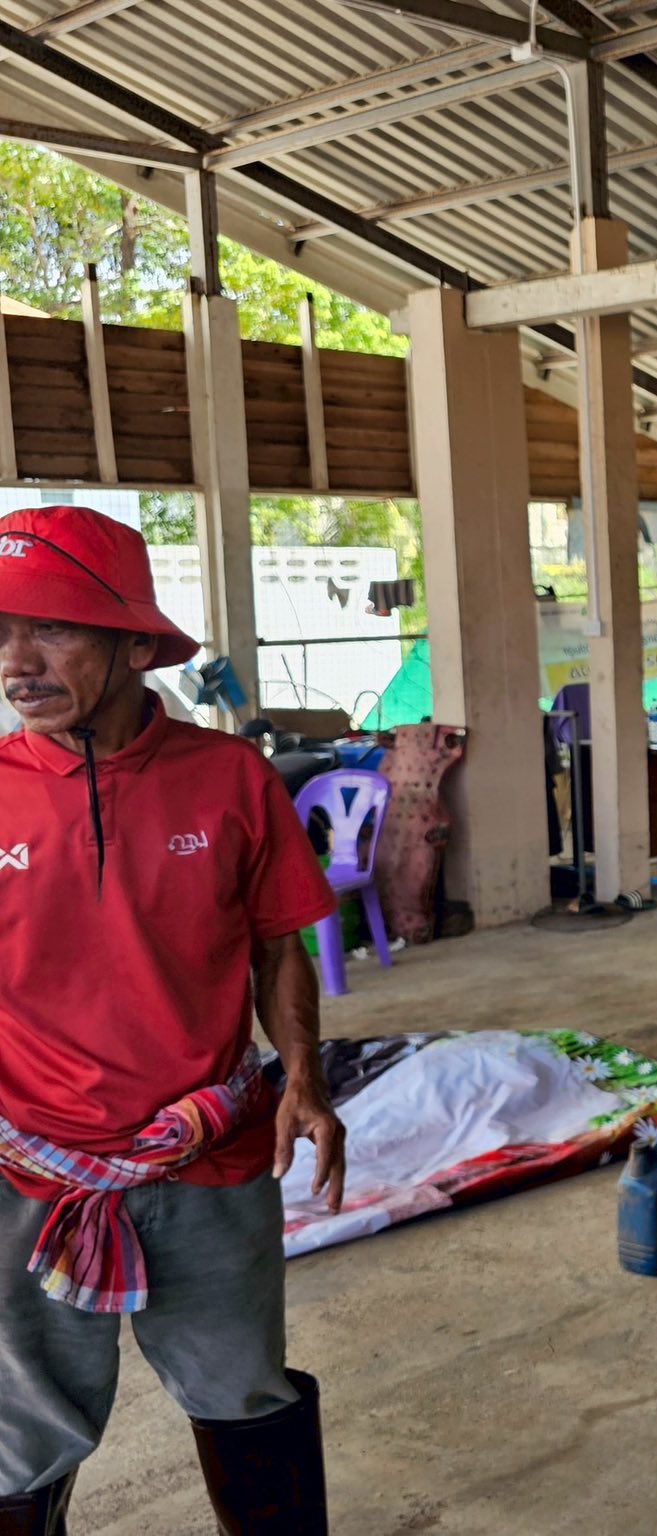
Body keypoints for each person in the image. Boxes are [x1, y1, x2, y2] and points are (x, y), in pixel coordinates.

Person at [0, 506, 347, 1535]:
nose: (17, 661)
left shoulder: (231, 777)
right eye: (3, 631)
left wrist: (303, 1077)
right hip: (28, 1172)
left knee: (246, 1397)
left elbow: (279, 944)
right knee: (19, 1440)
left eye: (51, 627)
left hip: (209, 1160)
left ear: (133, 642)